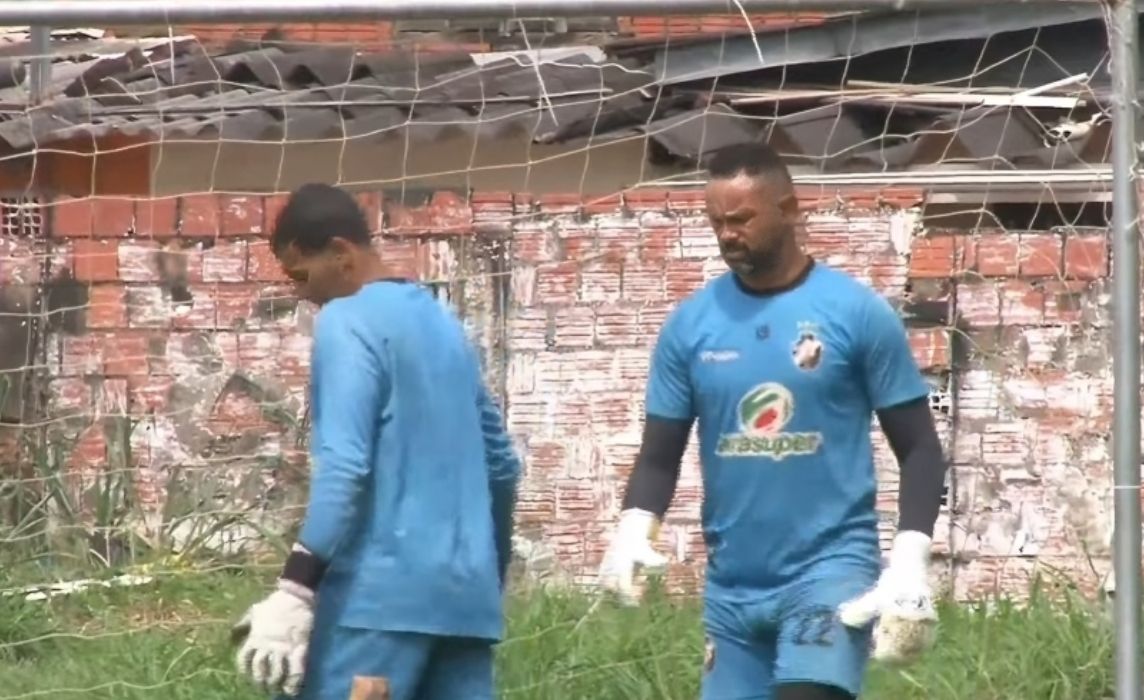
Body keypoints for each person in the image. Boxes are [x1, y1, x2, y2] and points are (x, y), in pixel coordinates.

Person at [597, 143, 947, 700]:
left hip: (828, 576)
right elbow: (659, 454)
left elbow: (922, 450)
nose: (727, 234)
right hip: (733, 592)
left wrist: (909, 564)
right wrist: (633, 529)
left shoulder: (856, 314)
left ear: (789, 210)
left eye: (741, 219)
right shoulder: (691, 326)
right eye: (717, 222)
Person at [230, 183, 522, 700]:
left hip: (376, 607)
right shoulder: (442, 321)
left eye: (301, 274)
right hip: (465, 605)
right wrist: (483, 576)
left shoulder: (346, 320)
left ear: (341, 253)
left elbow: (344, 467)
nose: (301, 291)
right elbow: (501, 466)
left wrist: (295, 590)